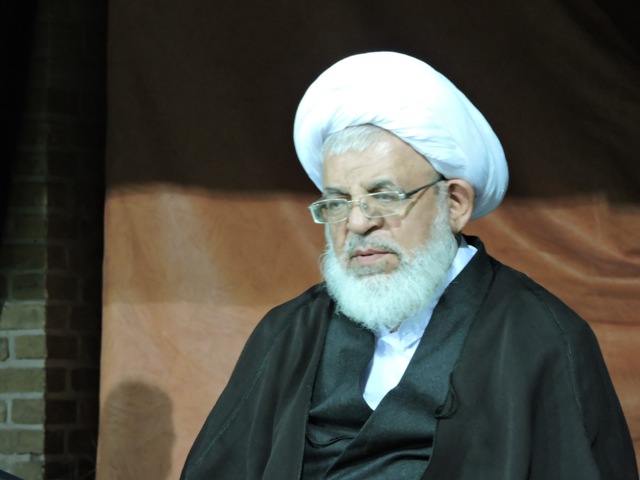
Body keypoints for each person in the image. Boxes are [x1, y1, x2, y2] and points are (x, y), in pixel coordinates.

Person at [181, 52, 638, 479]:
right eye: (338, 202)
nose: (357, 223)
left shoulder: (542, 340)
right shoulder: (289, 333)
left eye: (384, 196)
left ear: (454, 203)